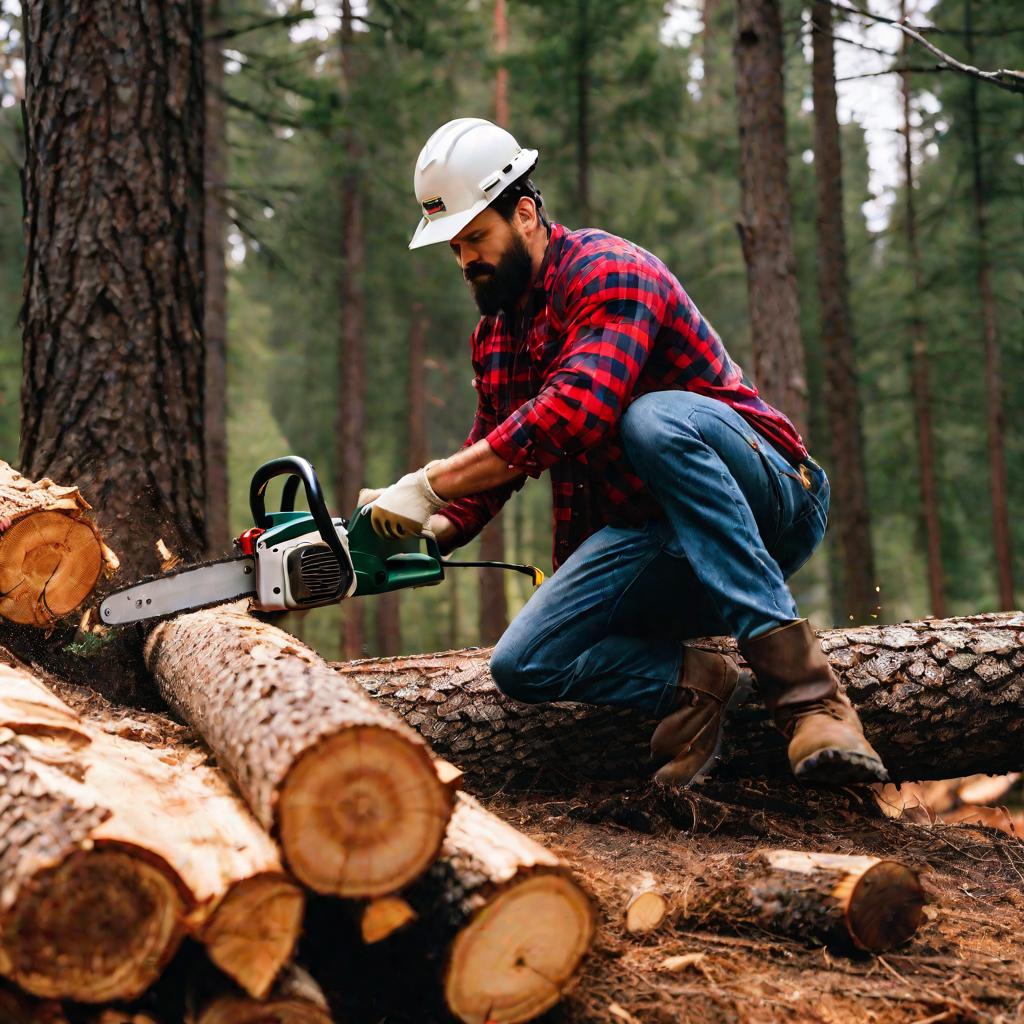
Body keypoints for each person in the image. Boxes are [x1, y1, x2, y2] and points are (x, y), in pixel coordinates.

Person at [361, 117, 888, 787]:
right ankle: (699, 686)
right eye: (454, 247)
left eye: (475, 238)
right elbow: (493, 461)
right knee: (523, 662)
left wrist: (429, 482)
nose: (466, 261)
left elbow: (571, 413)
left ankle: (813, 700)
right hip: (658, 536)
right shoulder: (493, 337)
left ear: (524, 214)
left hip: (772, 498)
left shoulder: (607, 272)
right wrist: (426, 528)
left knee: (651, 422)